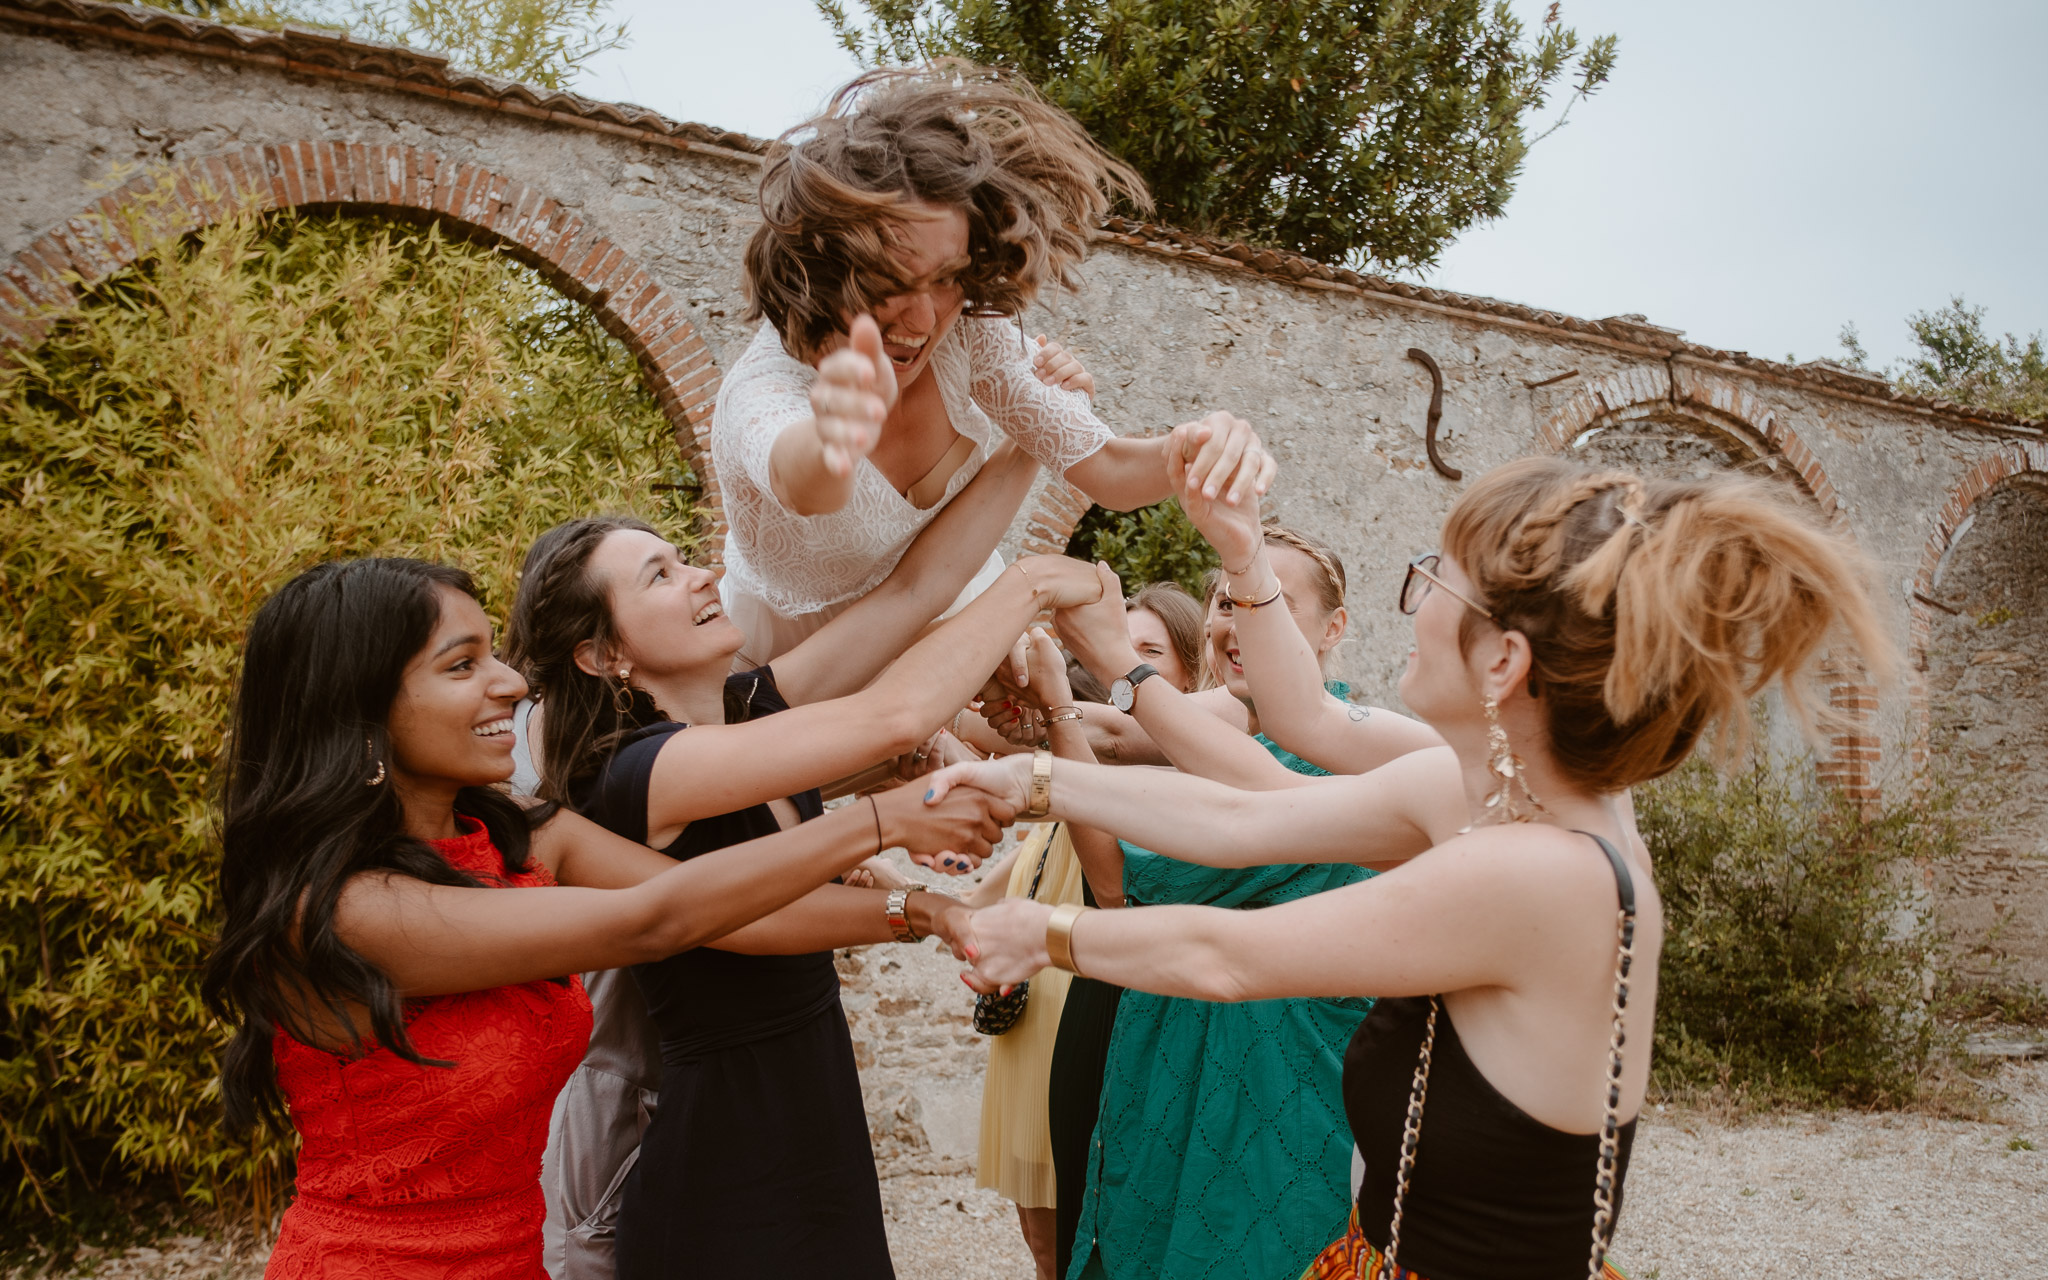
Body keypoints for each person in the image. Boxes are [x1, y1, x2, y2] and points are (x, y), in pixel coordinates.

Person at [936, 457, 1891, 1280]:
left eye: (1436, 580)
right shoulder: (1471, 789)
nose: (1419, 598)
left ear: (1504, 662)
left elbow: (1226, 956)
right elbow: (1237, 818)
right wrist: (1036, 780)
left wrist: (1044, 932)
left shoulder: (1543, 871)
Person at [200, 558, 1009, 1280]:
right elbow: (651, 921)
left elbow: (724, 914)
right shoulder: (344, 908)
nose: (513, 683)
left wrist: (918, 909)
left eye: (497, 655)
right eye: (463, 666)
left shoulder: (520, 836)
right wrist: (880, 820)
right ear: (360, 713)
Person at [507, 515, 1107, 1279]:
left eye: (683, 560)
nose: (700, 575)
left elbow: (916, 589)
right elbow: (891, 716)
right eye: (658, 576)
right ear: (603, 654)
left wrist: (1031, 434)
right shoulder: (640, 773)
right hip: (727, 1135)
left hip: (812, 1100)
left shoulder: (749, 706)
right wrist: (1033, 583)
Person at [716, 62, 1274, 663]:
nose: (927, 320)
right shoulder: (763, 389)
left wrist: (1196, 448)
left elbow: (1108, 471)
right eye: (894, 281)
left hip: (946, 617)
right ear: (828, 265)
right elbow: (805, 486)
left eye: (949, 278)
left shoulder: (973, 329)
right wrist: (833, 437)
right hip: (800, 659)